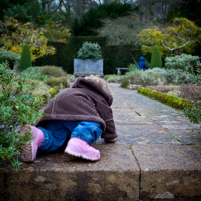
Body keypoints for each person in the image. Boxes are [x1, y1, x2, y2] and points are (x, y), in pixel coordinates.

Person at [19, 76, 118, 162]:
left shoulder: (71, 90)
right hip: (76, 111)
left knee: (56, 138)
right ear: (103, 90)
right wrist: (110, 135)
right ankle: (80, 142)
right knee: (94, 121)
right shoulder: (99, 96)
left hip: (54, 113)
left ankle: (38, 135)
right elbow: (107, 117)